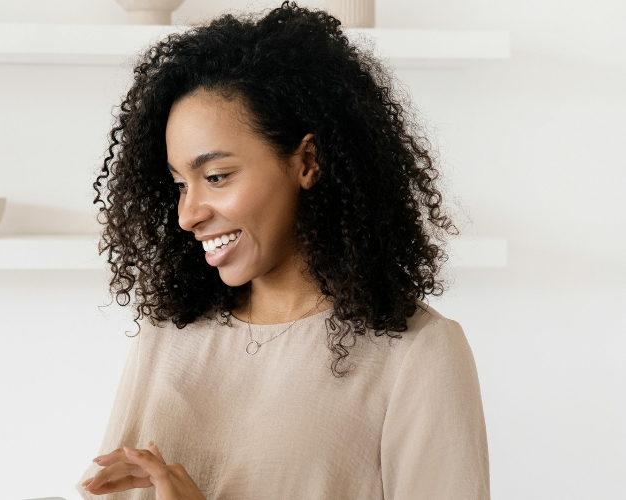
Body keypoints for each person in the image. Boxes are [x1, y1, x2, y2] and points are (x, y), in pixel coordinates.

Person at [76, 2, 489, 499]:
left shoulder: (415, 353)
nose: (188, 214)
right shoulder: (166, 339)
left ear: (307, 162)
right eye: (180, 184)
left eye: (216, 177)